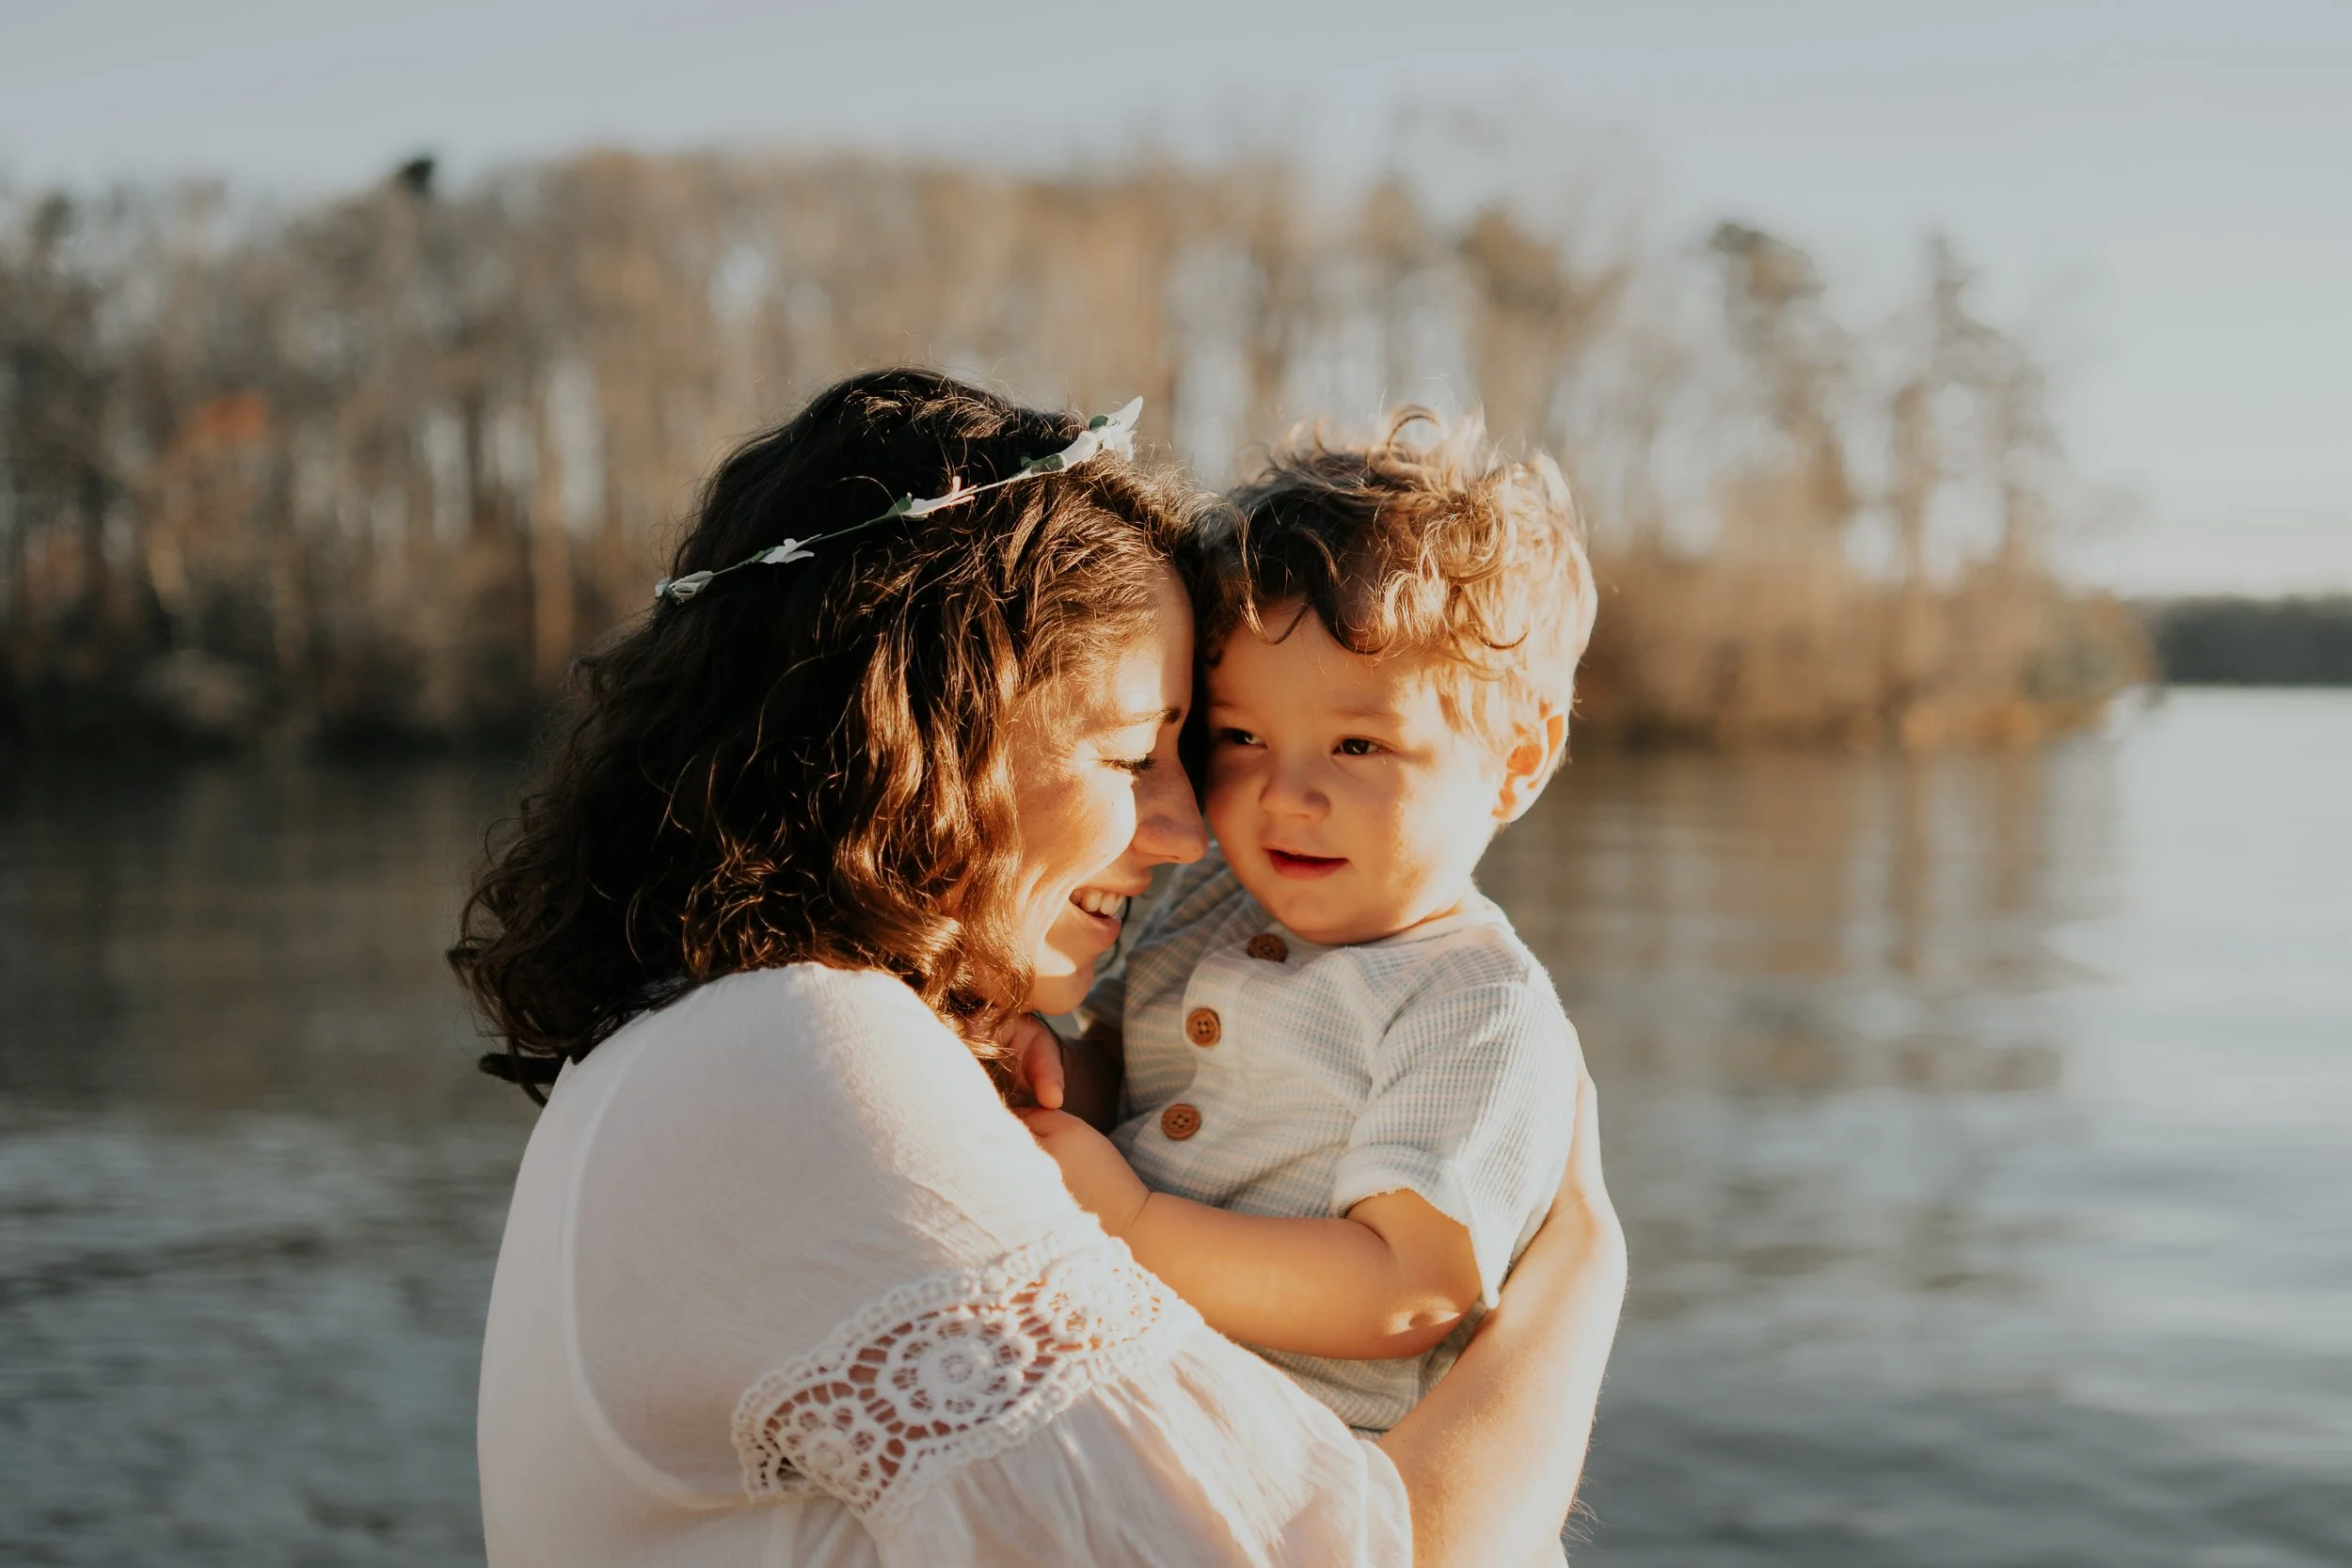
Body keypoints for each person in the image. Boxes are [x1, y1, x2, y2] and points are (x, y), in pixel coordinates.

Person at [455, 369, 1626, 1567]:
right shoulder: (801, 1049)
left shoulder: (705, 1037)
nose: (1191, 829)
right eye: (1137, 753)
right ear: (925, 740)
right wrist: (1579, 1272)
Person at [1015, 411, 1598, 1445]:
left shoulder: (1476, 1004)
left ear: (1515, 762)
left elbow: (1408, 1288)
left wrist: (1133, 1226)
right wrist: (1056, 1077)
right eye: (1240, 735)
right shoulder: (1207, 902)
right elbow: (1130, 1077)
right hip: (1134, 1384)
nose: (1285, 794)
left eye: (1357, 746)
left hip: (1291, 1449)